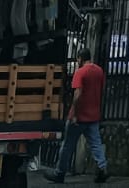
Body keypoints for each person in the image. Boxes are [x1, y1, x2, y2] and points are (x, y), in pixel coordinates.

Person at [46, 49, 108, 183]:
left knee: (67, 145)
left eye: (77, 59)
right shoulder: (99, 71)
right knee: (96, 144)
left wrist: (74, 114)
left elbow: (77, 94)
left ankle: (60, 173)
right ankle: (102, 168)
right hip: (93, 116)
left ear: (80, 58)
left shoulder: (80, 72)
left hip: (79, 117)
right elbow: (102, 91)